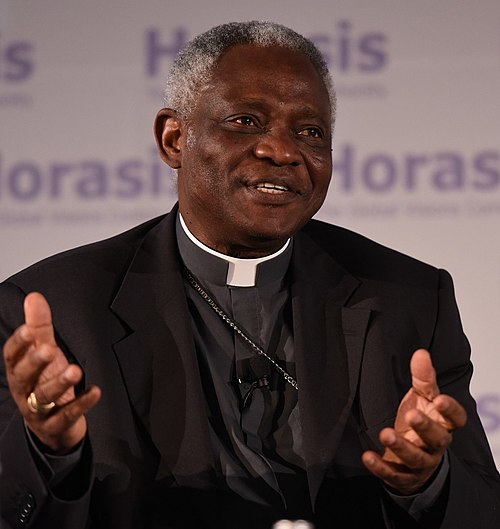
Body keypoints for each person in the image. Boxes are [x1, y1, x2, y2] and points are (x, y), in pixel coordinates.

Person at [0, 20, 498, 529]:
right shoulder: (57, 312)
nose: (282, 151)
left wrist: (426, 482)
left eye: (310, 132)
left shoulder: (410, 298)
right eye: (245, 121)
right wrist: (47, 450)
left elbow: (484, 511)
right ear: (174, 139)